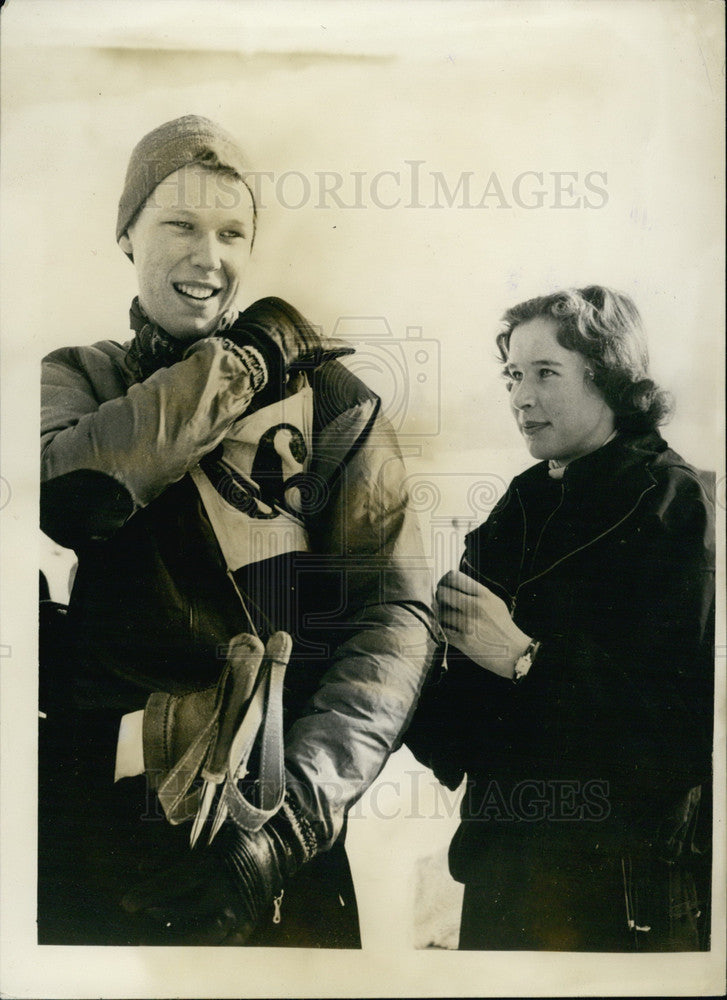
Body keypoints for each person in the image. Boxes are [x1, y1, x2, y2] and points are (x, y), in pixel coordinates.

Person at [39, 115, 438, 946]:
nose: (207, 257)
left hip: (265, 833)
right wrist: (242, 364)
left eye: (231, 232)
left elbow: (392, 623)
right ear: (126, 233)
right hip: (94, 828)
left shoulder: (332, 404)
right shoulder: (76, 379)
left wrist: (286, 828)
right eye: (178, 224)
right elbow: (69, 495)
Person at [406, 286, 715, 951]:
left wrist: (524, 660)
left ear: (609, 377)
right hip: (501, 880)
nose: (519, 396)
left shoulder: (671, 502)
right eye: (512, 375)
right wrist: (398, 659)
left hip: (616, 896)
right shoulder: (521, 502)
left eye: (545, 373)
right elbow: (455, 735)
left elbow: (677, 737)